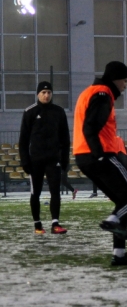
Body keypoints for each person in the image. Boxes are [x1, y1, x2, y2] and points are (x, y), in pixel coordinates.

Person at [74, 61, 127, 265]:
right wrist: (101, 155)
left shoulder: (92, 92)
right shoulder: (103, 94)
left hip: (83, 156)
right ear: (115, 79)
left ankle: (119, 255)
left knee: (123, 201)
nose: (125, 85)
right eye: (125, 80)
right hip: (99, 156)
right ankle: (112, 220)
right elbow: (90, 127)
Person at [19, 81, 71, 234]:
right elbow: (23, 140)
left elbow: (65, 138)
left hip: (53, 159)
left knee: (55, 191)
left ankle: (55, 224)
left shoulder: (59, 112)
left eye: (49, 92)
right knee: (36, 193)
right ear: (38, 94)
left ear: (52, 94)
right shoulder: (30, 112)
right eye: (43, 92)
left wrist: (65, 159)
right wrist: (25, 160)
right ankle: (37, 225)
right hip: (35, 161)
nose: (46, 95)